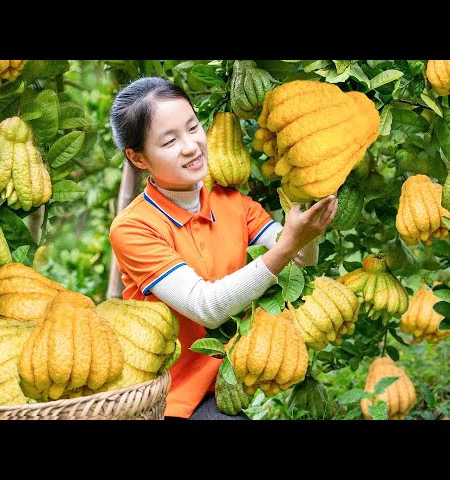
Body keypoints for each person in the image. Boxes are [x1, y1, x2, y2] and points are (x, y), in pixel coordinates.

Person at [109, 76, 338, 420]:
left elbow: (297, 263)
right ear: (138, 158)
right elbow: (206, 307)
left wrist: (310, 214)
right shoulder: (134, 228)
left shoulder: (230, 201)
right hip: (170, 397)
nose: (191, 146)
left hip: (234, 379)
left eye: (192, 127)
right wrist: (290, 243)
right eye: (170, 141)